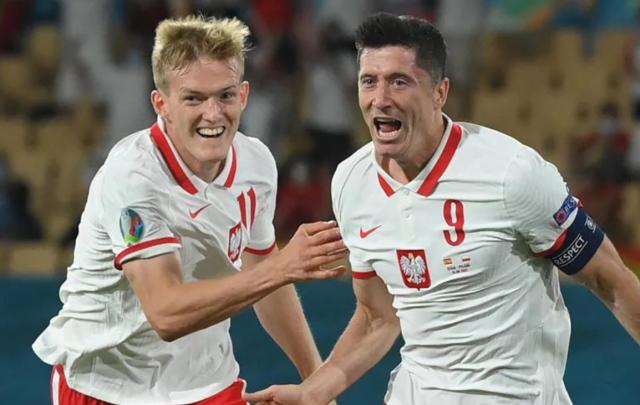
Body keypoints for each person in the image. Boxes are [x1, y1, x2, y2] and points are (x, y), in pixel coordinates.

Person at [245, 13, 640, 405]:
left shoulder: (512, 175)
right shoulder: (351, 181)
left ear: (439, 93)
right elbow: (377, 316)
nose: (380, 98)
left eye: (399, 82)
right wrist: (313, 392)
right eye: (369, 81)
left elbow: (610, 279)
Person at [33, 15, 348, 405]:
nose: (213, 113)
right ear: (161, 104)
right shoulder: (133, 177)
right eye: (194, 99)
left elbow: (265, 276)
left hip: (206, 383)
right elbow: (165, 314)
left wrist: (317, 384)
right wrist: (280, 268)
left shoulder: (256, 164)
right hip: (105, 387)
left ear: (244, 95)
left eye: (225, 96)